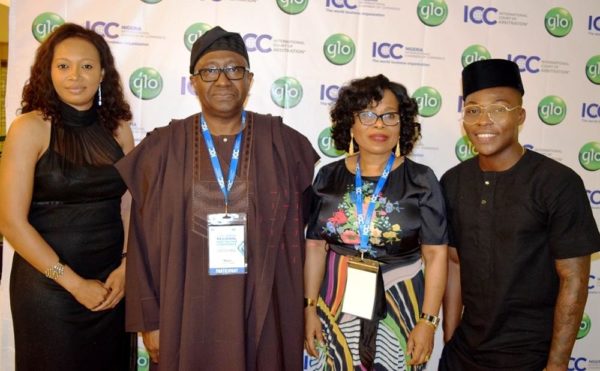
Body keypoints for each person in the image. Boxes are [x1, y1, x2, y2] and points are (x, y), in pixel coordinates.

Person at [114, 26, 319, 371]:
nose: (222, 80)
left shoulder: (283, 144)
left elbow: (305, 233)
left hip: (266, 313)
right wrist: (149, 319)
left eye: (234, 69)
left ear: (249, 80)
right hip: (183, 314)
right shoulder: (162, 148)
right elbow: (141, 239)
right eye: (209, 70)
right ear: (193, 81)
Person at [439, 59, 600, 371]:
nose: (483, 120)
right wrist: (449, 337)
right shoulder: (453, 181)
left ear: (521, 116)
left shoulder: (557, 182)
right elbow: (454, 263)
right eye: (473, 110)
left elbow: (574, 280)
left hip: (528, 357)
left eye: (498, 108)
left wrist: (556, 365)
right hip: (463, 355)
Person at [0, 23, 135, 370]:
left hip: (111, 284)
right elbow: (11, 223)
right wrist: (74, 284)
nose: (75, 76)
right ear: (48, 71)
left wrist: (126, 264)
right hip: (49, 286)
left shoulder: (118, 128)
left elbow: (130, 201)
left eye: (87, 66)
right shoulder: (29, 128)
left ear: (103, 72)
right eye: (63, 66)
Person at [303, 74, 448, 370]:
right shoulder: (328, 177)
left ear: (402, 124)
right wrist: (308, 309)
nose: (379, 124)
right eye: (367, 114)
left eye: (389, 115)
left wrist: (429, 321)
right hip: (334, 303)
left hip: (402, 302)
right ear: (350, 124)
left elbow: (436, 255)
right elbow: (316, 246)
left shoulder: (421, 180)